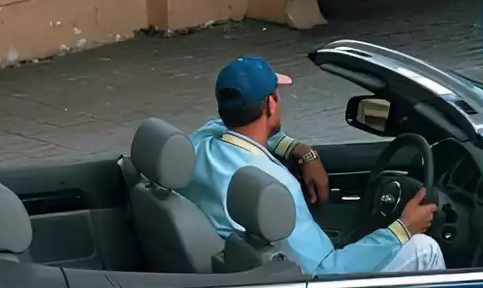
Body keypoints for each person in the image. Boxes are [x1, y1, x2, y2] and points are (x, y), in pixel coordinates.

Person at [186, 57, 445, 276]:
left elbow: (232, 129)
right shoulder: (277, 188)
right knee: (425, 249)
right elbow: (325, 271)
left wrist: (302, 152)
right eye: (277, 94)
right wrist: (402, 229)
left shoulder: (198, 144)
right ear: (271, 104)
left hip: (243, 270)